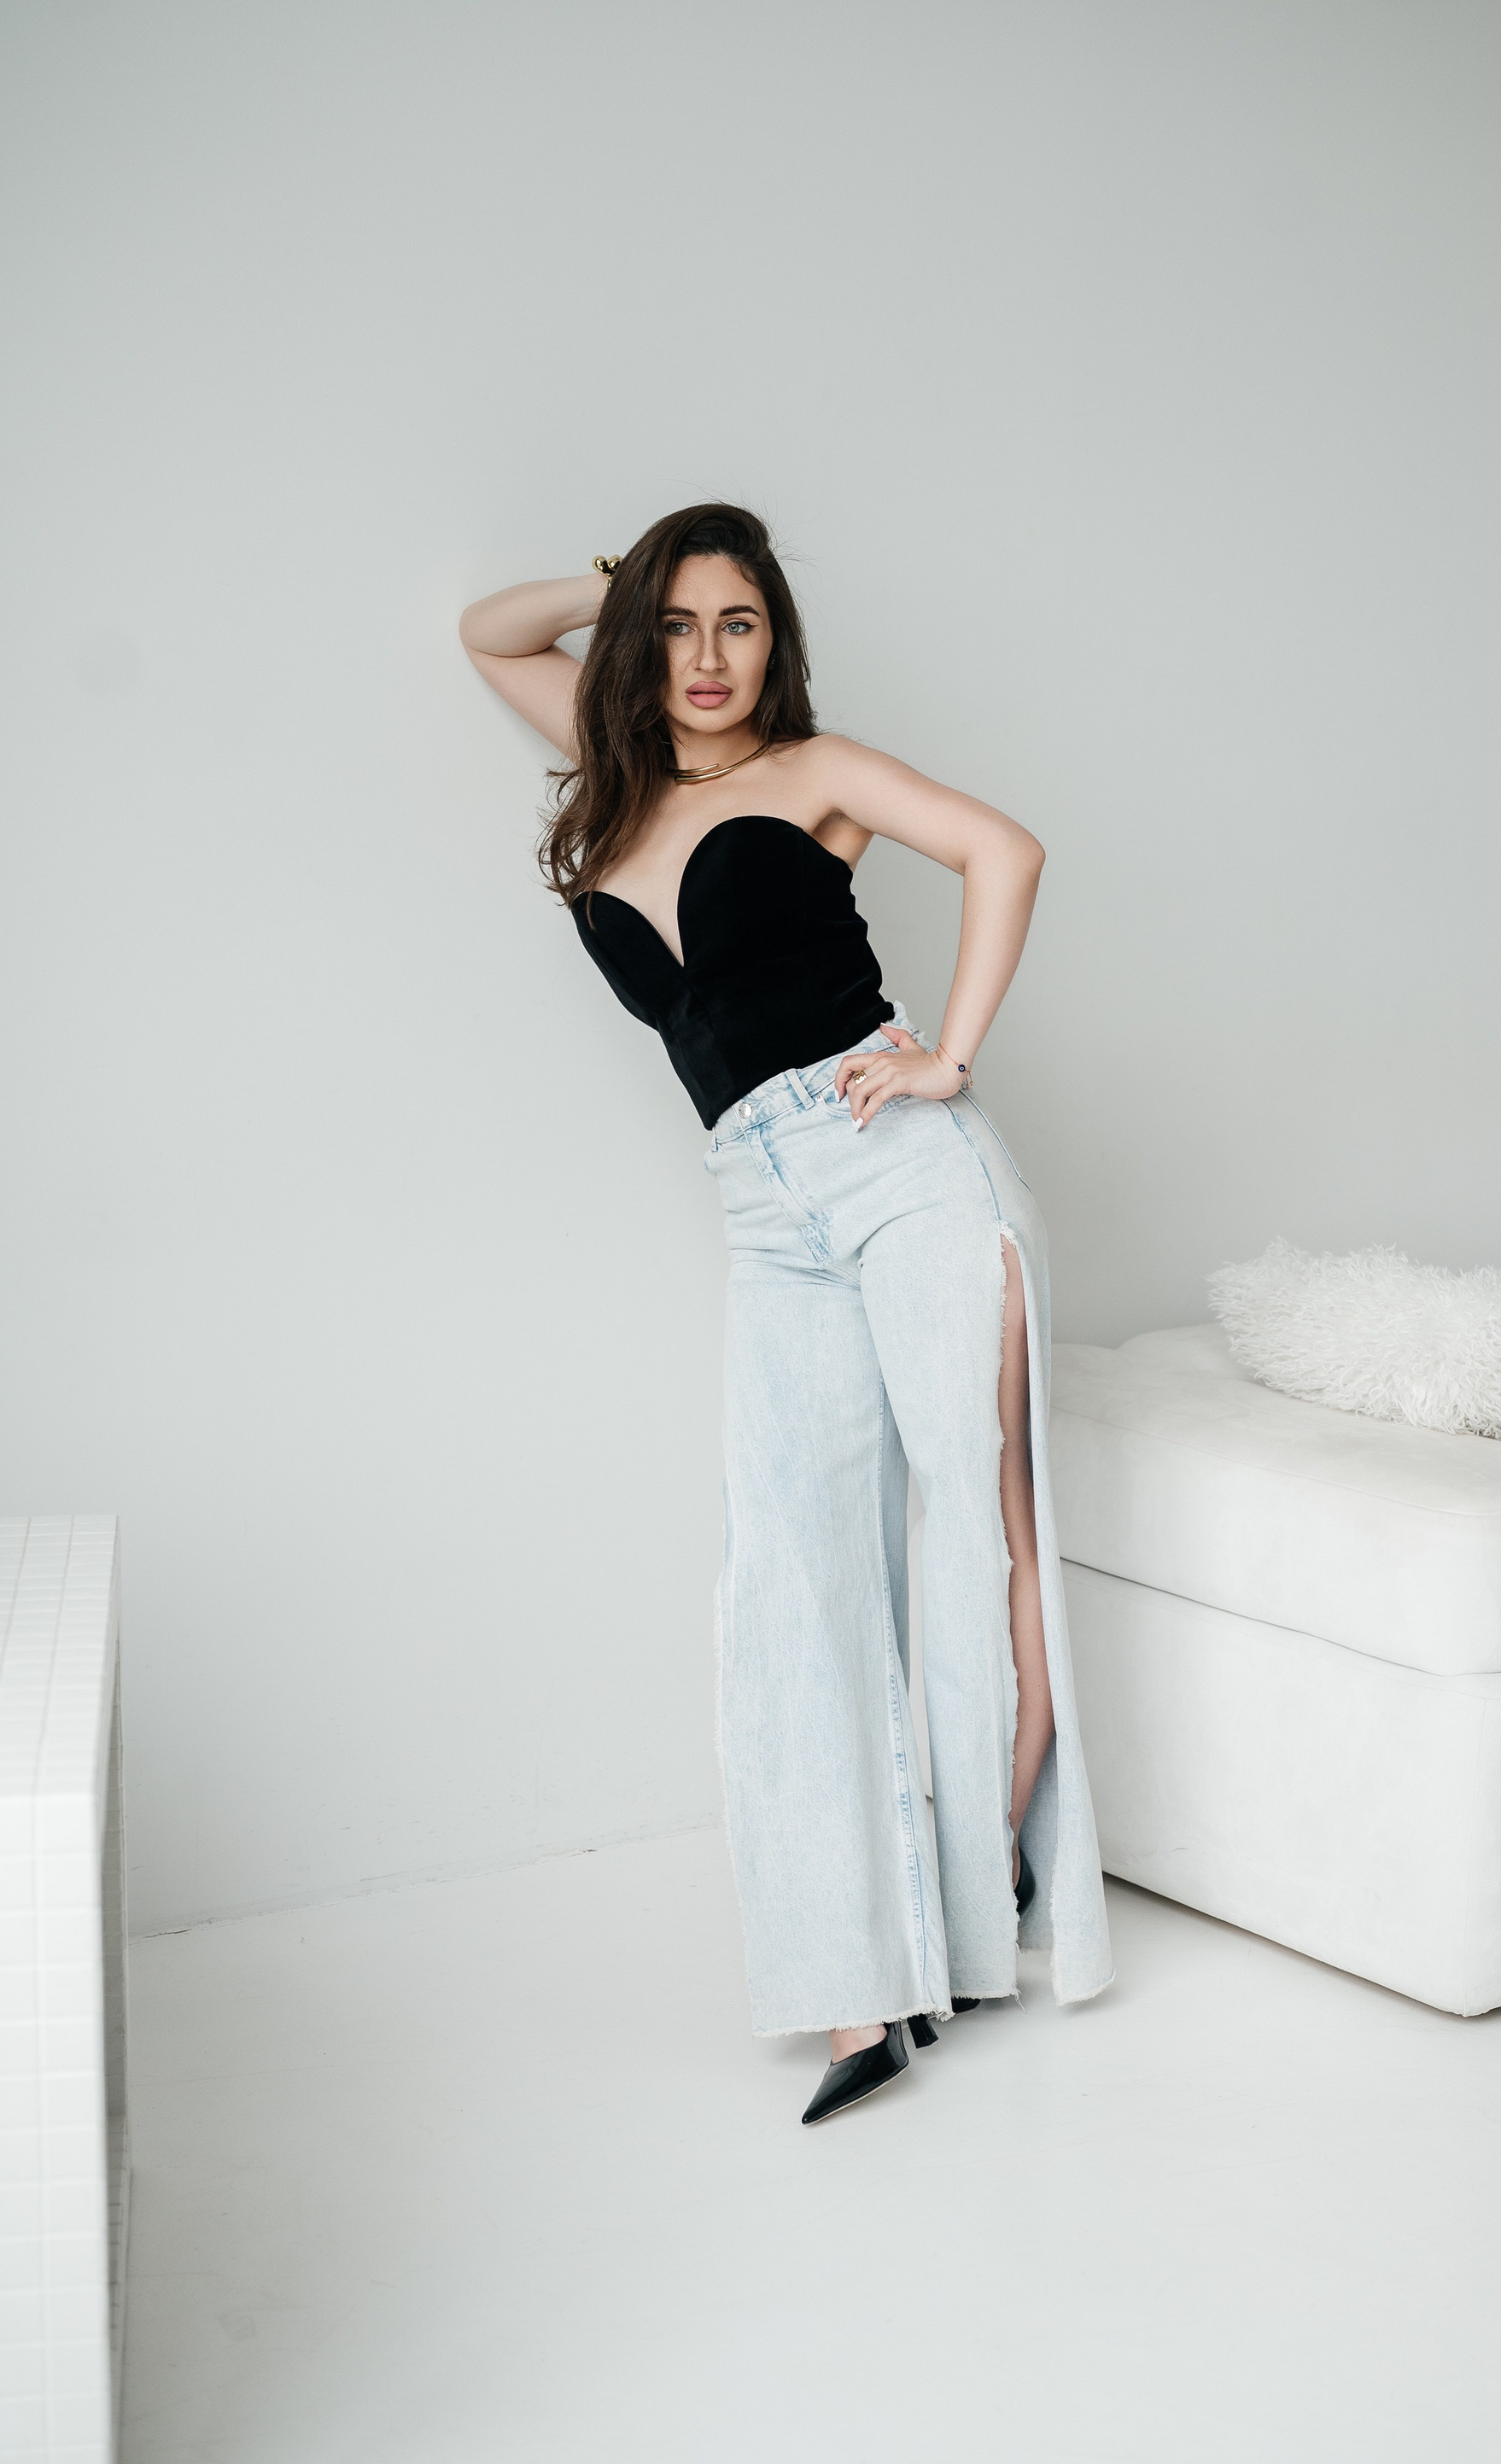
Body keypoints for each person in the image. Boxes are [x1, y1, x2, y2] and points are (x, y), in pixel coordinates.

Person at [460, 503, 1111, 2123]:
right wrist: (623, 578)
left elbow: (1007, 849)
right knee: (791, 1575)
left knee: (980, 1528)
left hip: (904, 1167)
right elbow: (487, 631)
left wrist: (948, 1055)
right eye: (677, 625)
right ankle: (851, 1981)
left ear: (778, 643)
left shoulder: (815, 770)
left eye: (738, 623)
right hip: (761, 1208)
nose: (706, 658)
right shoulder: (617, 775)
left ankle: (985, 1874)